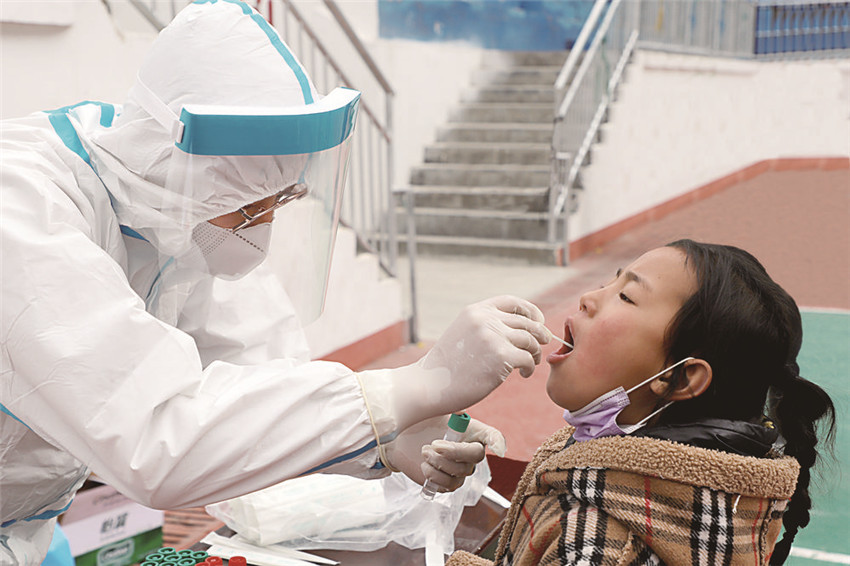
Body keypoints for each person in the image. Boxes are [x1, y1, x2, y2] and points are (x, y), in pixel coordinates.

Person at [0, 2, 552, 563]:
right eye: (248, 207)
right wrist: (409, 387)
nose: (259, 229)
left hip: (31, 529)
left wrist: (385, 438)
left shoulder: (169, 206)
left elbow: (256, 377)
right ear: (180, 163)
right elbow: (157, 438)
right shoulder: (20, 208)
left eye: (278, 201)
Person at [447, 240, 836, 566]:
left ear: (680, 377)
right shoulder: (716, 496)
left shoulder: (595, 544)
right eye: (608, 282)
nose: (587, 298)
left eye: (626, 296)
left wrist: (420, 398)